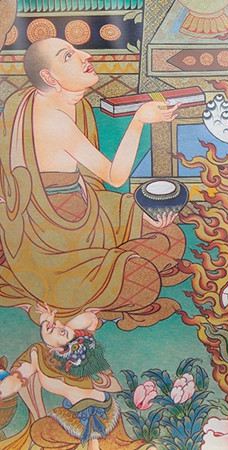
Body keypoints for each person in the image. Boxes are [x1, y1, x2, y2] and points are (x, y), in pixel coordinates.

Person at [0, 38, 187, 330]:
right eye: (68, 56)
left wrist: (133, 216)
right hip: (50, 237)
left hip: (85, 210)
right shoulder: (55, 122)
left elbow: (89, 182)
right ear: (49, 77)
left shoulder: (50, 101)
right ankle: (96, 289)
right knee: (144, 281)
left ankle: (114, 265)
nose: (86, 55)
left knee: (172, 237)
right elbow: (115, 177)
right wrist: (139, 120)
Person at [0, 304, 151, 449]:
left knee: (40, 431)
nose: (57, 325)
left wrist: (66, 328)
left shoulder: (79, 356)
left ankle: (95, 442)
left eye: (61, 331)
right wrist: (13, 380)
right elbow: (20, 376)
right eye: (57, 326)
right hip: (80, 413)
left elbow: (91, 319)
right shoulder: (38, 353)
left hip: (98, 414)